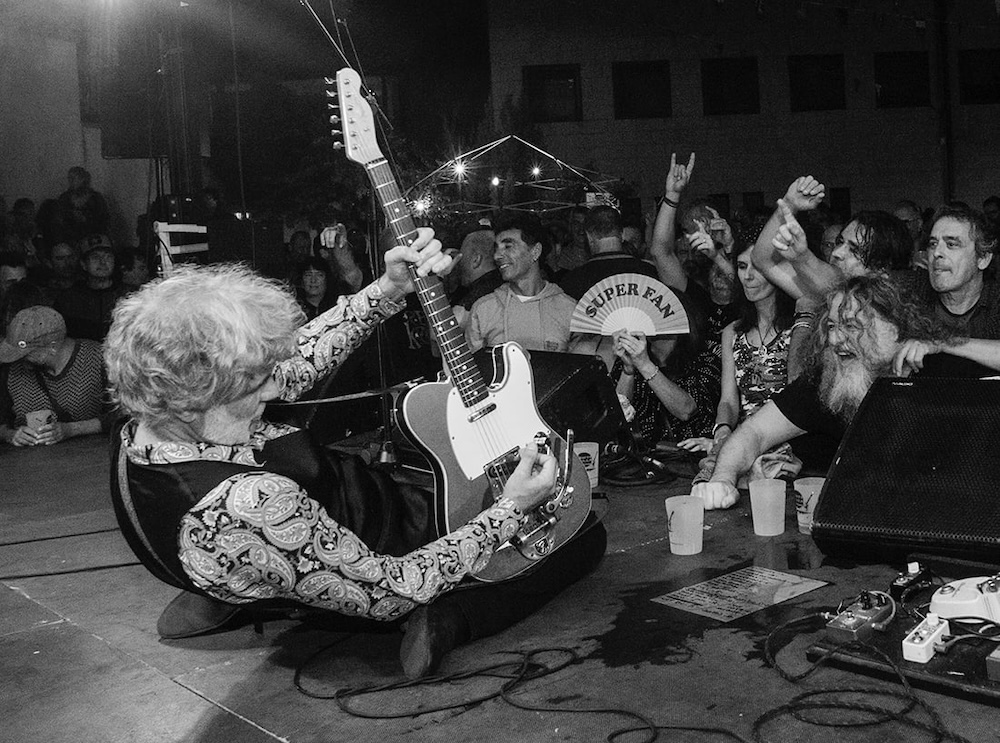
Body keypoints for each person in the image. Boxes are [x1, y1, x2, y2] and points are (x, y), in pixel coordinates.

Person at [103, 227, 606, 679]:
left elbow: (298, 361)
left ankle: (244, 589)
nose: (272, 389)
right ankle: (452, 615)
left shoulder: (147, 424)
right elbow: (392, 589)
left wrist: (388, 288)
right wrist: (511, 509)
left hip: (307, 519)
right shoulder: (245, 505)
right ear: (200, 395)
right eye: (256, 385)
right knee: (584, 537)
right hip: (380, 551)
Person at [691, 274, 955, 510]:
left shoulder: (938, 376)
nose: (835, 339)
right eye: (831, 326)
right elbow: (754, 432)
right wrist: (722, 480)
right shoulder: (826, 380)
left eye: (851, 326)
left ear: (894, 329)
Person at [679, 241, 798, 483]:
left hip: (790, 439)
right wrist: (722, 429)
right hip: (744, 439)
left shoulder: (799, 329)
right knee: (707, 483)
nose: (748, 276)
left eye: (758, 268)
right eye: (742, 267)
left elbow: (800, 401)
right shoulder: (732, 332)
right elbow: (728, 400)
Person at [464, 214, 577, 353]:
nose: (497, 256)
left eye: (508, 246)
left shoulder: (569, 310)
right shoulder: (484, 309)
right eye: (496, 249)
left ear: (535, 251)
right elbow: (469, 364)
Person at [0, 306, 111, 446]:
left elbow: (123, 415)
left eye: (26, 353)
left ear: (52, 347)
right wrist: (10, 435)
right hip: (31, 457)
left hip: (92, 454)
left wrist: (72, 429)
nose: (18, 359)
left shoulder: (99, 359)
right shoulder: (12, 369)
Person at [54, 235, 124, 341]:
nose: (103, 262)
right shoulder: (69, 300)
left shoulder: (129, 296)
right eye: (95, 257)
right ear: (83, 264)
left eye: (108, 256)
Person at [56, 166, 110, 243]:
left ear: (83, 179)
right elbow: (59, 220)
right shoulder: (64, 198)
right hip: (70, 240)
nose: (70, 181)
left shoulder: (96, 198)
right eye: (69, 178)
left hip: (93, 239)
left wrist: (86, 219)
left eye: (73, 178)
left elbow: (104, 220)